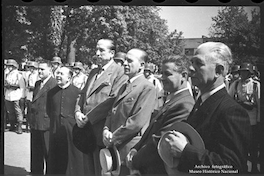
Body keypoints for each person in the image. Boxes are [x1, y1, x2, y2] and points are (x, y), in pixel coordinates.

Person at [164, 42, 251, 174]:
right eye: (191, 63)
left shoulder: (231, 111)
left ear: (219, 71)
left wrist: (185, 151)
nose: (191, 69)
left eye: (198, 63)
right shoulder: (201, 102)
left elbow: (232, 168)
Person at [126, 55, 195, 175]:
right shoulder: (173, 99)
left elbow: (160, 141)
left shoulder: (184, 105)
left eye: (167, 74)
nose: (162, 78)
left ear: (183, 76)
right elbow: (151, 131)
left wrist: (135, 161)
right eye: (161, 73)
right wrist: (135, 148)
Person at [75, 39, 128, 176]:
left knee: (101, 170)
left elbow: (112, 101)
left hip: (101, 130)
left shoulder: (120, 73)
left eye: (101, 50)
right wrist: (77, 111)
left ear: (112, 53)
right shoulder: (93, 72)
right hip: (85, 130)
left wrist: (89, 117)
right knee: (88, 170)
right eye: (96, 50)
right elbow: (82, 95)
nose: (97, 53)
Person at [102, 48, 157, 175]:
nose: (125, 63)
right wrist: (105, 129)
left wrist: (113, 137)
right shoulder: (123, 86)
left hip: (129, 148)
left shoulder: (147, 88)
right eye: (125, 60)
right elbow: (112, 111)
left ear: (142, 65)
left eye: (130, 61)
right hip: (114, 146)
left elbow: (137, 122)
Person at [46, 67, 88, 176]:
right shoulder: (51, 92)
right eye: (57, 73)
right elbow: (49, 110)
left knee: (72, 157)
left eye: (61, 74)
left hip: (71, 130)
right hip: (55, 129)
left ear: (69, 77)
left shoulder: (77, 92)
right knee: (55, 157)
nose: (58, 76)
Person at [229, 62, 260, 173]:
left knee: (253, 146)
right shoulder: (235, 84)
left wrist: (259, 120)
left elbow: (259, 103)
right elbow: (229, 100)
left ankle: (255, 167)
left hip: (252, 120)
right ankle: (243, 167)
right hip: (239, 120)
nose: (242, 74)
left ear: (250, 73)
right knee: (241, 145)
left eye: (245, 72)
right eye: (241, 72)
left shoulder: (256, 85)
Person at [29, 60, 57, 175]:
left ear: (50, 70)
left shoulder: (54, 84)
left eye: (42, 69)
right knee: (36, 152)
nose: (39, 71)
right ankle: (36, 172)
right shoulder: (37, 83)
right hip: (35, 122)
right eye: (38, 69)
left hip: (46, 124)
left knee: (48, 153)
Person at [4, 59, 25, 134]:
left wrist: (22, 97)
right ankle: (12, 125)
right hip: (8, 95)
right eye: (8, 66)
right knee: (10, 111)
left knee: (18, 111)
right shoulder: (7, 74)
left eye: (10, 66)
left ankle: (19, 127)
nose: (9, 67)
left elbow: (22, 87)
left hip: (16, 95)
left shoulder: (18, 75)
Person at [25, 61, 39, 132]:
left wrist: (32, 87)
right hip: (29, 95)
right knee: (29, 111)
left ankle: (33, 125)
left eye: (32, 68)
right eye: (30, 68)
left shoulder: (38, 75)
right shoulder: (30, 75)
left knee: (34, 111)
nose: (31, 69)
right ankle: (29, 126)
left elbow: (38, 86)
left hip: (35, 94)